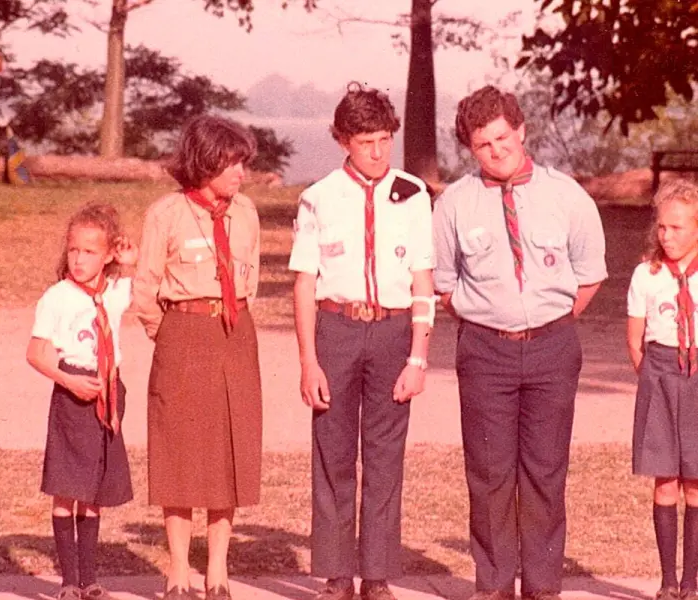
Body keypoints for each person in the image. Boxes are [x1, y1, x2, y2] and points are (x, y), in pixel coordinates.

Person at [432, 85, 607, 600]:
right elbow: (445, 283)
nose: (497, 151)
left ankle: (543, 586)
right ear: (471, 149)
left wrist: (546, 324)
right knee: (488, 473)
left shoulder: (567, 195)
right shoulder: (455, 205)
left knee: (546, 472)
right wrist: (496, 322)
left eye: (503, 138)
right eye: (484, 145)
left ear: (522, 130)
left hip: (553, 347)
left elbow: (590, 275)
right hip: (485, 352)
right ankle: (492, 586)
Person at [288, 82, 435, 600]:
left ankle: (375, 575)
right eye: (365, 141)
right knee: (332, 454)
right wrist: (309, 361)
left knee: (384, 456)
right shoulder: (318, 197)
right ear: (342, 140)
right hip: (338, 331)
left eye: (384, 139)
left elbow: (423, 280)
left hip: (394, 332)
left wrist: (418, 356)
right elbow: (304, 283)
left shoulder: (414, 194)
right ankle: (335, 574)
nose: (377, 151)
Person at [131, 114, 261, 600]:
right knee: (181, 454)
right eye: (232, 163)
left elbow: (247, 276)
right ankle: (179, 571)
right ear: (205, 161)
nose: (240, 174)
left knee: (230, 452)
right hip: (182, 333)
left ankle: (219, 573)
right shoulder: (166, 212)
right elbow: (144, 288)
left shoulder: (245, 211)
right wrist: (168, 333)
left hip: (234, 333)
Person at [26, 202, 136, 600]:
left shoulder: (116, 291)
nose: (79, 259)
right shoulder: (58, 297)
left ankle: (90, 581)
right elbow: (36, 354)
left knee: (93, 493)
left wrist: (128, 263)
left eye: (90, 252)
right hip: (73, 392)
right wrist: (68, 381)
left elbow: (134, 288)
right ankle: (68, 581)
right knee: (67, 488)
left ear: (106, 255)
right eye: (73, 250)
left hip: (108, 392)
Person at [627, 178, 698, 600]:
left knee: (696, 482)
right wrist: (653, 377)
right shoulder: (646, 274)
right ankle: (667, 581)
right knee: (666, 481)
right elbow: (634, 340)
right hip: (659, 373)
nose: (667, 236)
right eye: (662, 228)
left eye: (678, 228)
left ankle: (692, 581)